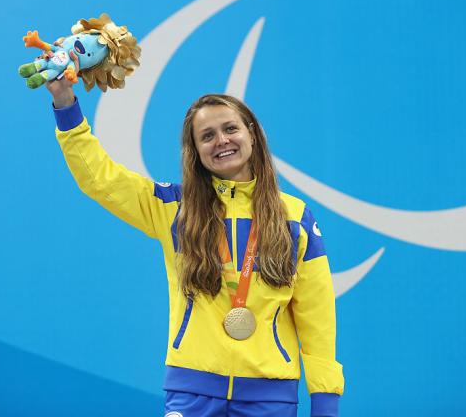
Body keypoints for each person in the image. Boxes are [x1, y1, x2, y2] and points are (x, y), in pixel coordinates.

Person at [46, 50, 344, 416]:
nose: (221, 140)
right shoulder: (173, 207)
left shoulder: (295, 217)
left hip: (270, 397)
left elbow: (318, 317)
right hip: (191, 393)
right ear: (196, 151)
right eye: (207, 136)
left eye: (230, 128)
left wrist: (325, 403)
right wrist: (65, 104)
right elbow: (99, 178)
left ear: (251, 133)